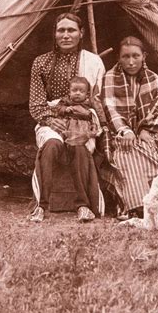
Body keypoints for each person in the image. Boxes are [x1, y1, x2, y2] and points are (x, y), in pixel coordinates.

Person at [28, 13, 105, 223]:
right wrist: (55, 121)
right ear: (55, 34)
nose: (65, 35)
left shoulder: (93, 62)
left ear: (81, 33)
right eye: (60, 30)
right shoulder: (41, 63)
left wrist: (81, 120)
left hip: (81, 121)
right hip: (50, 120)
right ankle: (41, 206)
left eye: (71, 30)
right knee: (52, 145)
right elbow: (36, 105)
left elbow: (97, 102)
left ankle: (83, 206)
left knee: (79, 147)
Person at [101, 35, 158, 218]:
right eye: (126, 57)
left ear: (144, 56)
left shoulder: (153, 79)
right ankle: (136, 206)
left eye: (136, 56)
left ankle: (155, 204)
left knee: (143, 149)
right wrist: (125, 131)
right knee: (125, 153)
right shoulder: (110, 77)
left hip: (149, 132)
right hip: (118, 133)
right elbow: (110, 109)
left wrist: (144, 129)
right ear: (118, 57)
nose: (131, 62)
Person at [48, 76, 102, 153]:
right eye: (74, 90)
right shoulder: (66, 100)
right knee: (62, 137)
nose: (77, 93)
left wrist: (103, 123)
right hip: (69, 123)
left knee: (86, 141)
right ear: (69, 92)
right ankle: (65, 149)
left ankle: (83, 152)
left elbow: (99, 111)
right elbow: (57, 107)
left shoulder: (90, 102)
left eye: (81, 91)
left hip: (84, 125)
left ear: (87, 94)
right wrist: (65, 109)